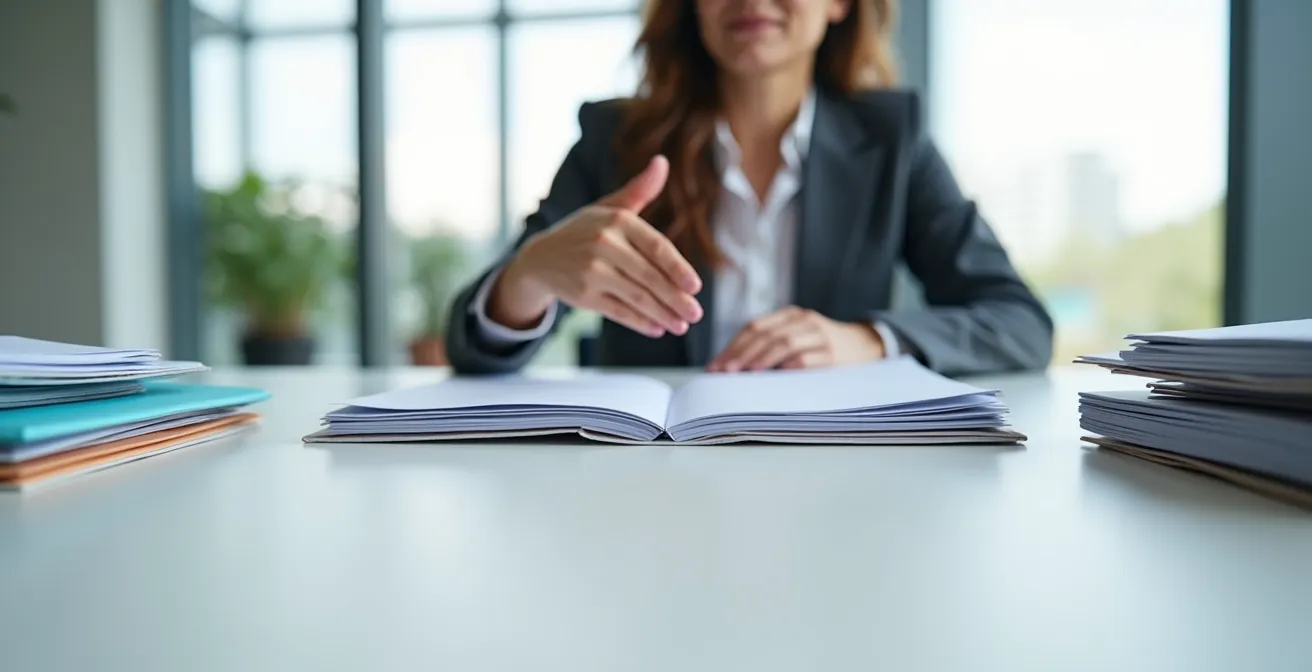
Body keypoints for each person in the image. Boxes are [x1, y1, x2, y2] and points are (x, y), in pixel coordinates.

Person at [446, 0, 1053, 375]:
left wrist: (869, 340)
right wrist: (529, 276)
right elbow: (470, 348)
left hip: (842, 478)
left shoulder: (892, 139)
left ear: (840, 3)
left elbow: (1019, 322)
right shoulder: (614, 137)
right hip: (647, 484)